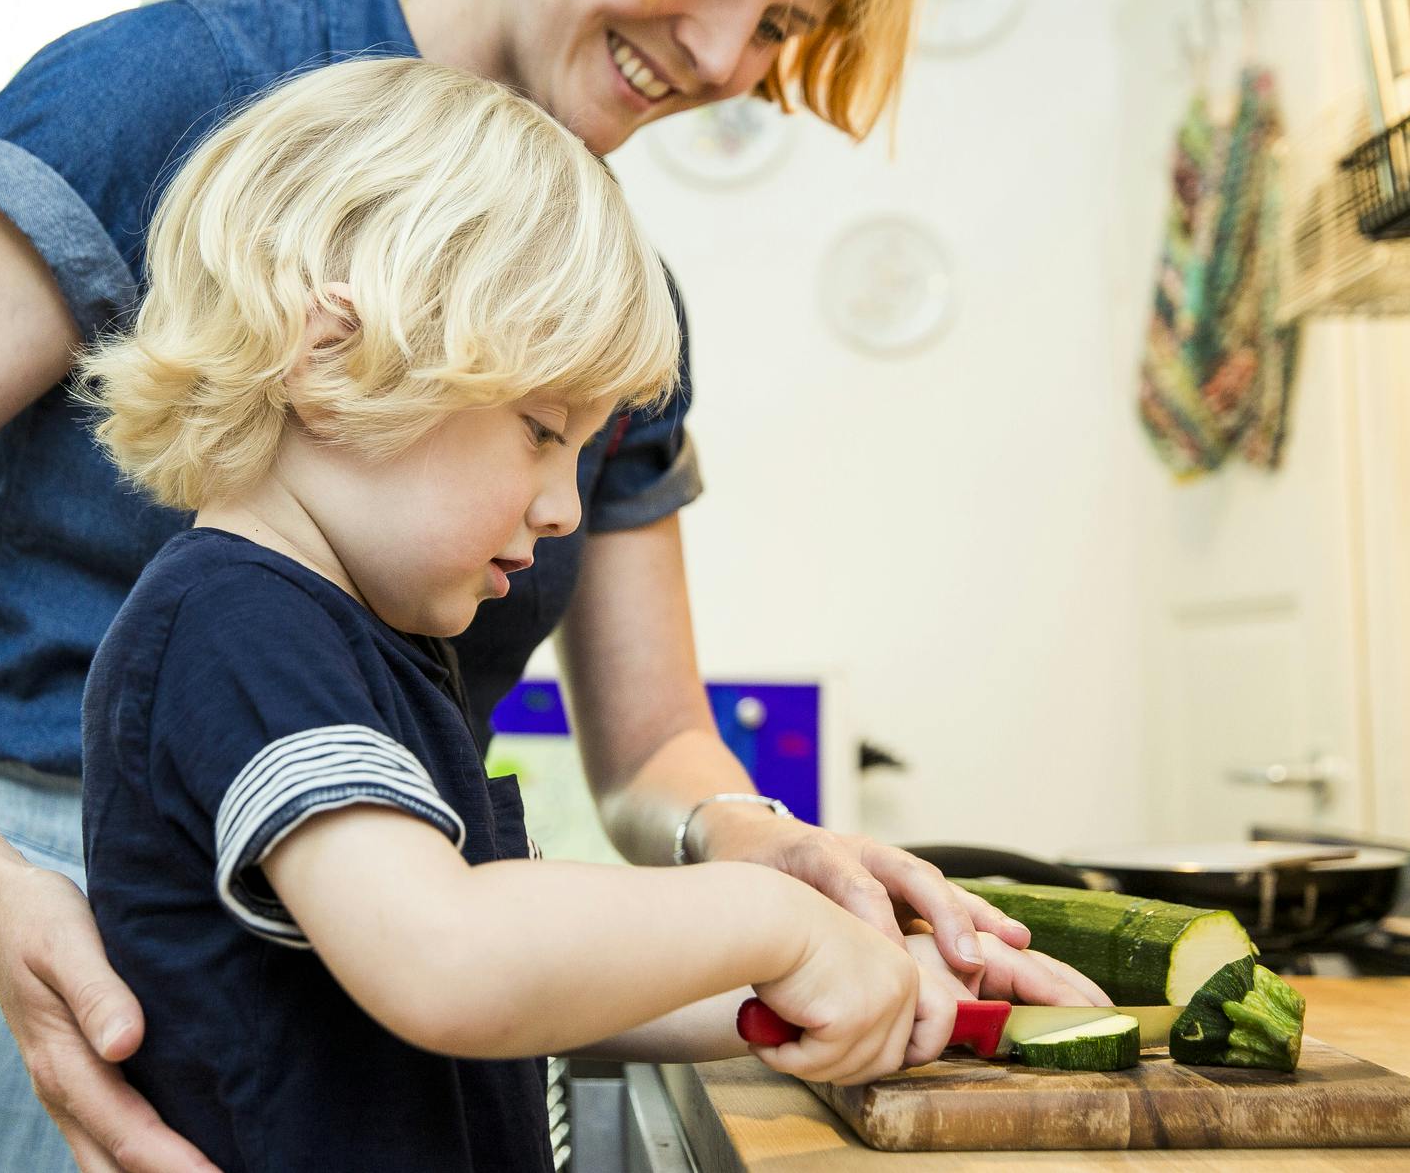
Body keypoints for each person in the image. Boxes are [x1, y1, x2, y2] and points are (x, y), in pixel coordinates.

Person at [0, 0, 1104, 1170]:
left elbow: (652, 747)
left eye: (780, 22)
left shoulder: (608, 307)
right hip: (10, 919)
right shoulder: (166, 97)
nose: (727, 61)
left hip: (354, 927)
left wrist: (773, 864)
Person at [81, 56, 948, 1171]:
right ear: (325, 354)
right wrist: (770, 921)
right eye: (542, 430)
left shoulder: (371, 646)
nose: (566, 508)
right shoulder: (233, 628)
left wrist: (823, 979)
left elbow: (527, 983)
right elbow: (448, 957)